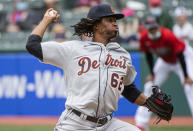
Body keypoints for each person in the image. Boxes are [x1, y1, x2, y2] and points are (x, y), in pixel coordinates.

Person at [26, 4, 149, 131]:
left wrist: (150, 104)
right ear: (97, 26)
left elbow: (129, 90)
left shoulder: (122, 55)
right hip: (75, 123)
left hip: (108, 124)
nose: (115, 23)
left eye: (115, 20)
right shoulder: (73, 49)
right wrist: (46, 20)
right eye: (110, 20)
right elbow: (32, 45)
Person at [134, 15, 193, 131]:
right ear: (146, 28)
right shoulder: (144, 37)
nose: (153, 31)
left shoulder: (168, 35)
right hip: (165, 61)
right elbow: (148, 55)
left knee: (189, 86)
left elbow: (180, 55)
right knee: (149, 86)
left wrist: (186, 76)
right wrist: (152, 73)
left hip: (183, 57)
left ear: (159, 26)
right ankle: (141, 124)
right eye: (150, 28)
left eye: (154, 28)